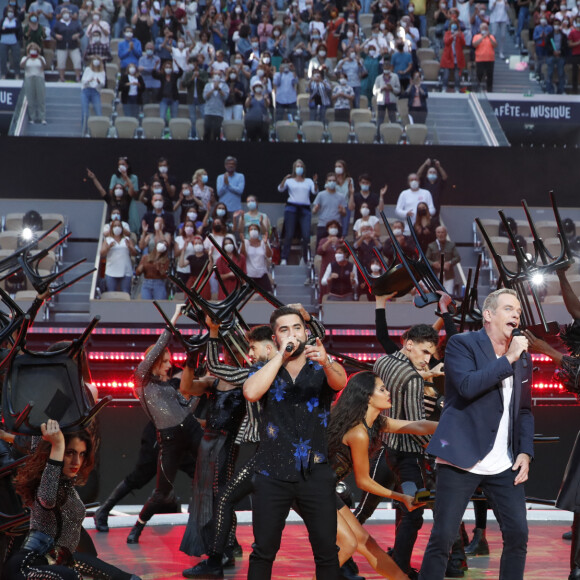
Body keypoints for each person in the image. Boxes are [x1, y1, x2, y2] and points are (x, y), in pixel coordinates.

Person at [418, 288, 534, 580]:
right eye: (509, 308)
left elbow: (524, 411)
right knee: (443, 537)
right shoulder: (462, 344)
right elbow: (468, 386)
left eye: (518, 310)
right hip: (461, 457)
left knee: (518, 535)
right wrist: (507, 358)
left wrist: (524, 452)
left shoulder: (522, 358)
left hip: (504, 462)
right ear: (489, 315)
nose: (516, 314)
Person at [243, 305, 347, 579]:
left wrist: (326, 361)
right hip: (271, 473)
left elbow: (339, 382)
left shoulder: (320, 366)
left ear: (306, 331)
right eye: (284, 330)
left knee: (326, 551)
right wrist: (280, 357)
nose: (292, 334)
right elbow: (251, 393)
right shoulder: (266, 369)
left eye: (297, 328)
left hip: (315, 472)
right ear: (275, 337)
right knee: (263, 550)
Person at [328, 371, 438, 579]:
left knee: (367, 544)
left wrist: (452, 427)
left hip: (323, 489)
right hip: (310, 489)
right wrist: (401, 497)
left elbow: (417, 426)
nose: (388, 393)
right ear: (367, 397)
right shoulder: (358, 432)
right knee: (349, 544)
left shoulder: (375, 423)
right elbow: (363, 481)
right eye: (382, 389)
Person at [5, 420, 141, 579]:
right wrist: (58, 445)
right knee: (71, 575)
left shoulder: (66, 485)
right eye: (69, 452)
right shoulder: (46, 483)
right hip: (27, 567)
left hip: (56, 561)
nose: (76, 461)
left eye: (81, 454)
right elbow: (48, 498)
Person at [126, 304, 205, 543]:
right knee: (161, 493)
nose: (170, 365)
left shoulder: (169, 387)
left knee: (209, 477)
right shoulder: (142, 380)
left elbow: (186, 409)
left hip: (190, 429)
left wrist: (199, 392)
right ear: (153, 361)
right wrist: (176, 315)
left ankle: (202, 524)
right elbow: (160, 343)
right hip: (169, 439)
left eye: (170, 361)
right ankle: (138, 526)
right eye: (165, 361)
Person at [373, 323, 440, 577]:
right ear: (409, 344)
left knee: (406, 508)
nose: (427, 360)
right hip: (409, 459)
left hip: (388, 449)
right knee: (413, 512)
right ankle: (399, 568)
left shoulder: (383, 362)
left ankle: (397, 561)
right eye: (424, 352)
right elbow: (417, 427)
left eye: (430, 355)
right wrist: (442, 445)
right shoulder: (412, 379)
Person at [278, 159, 317, 266]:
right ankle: (284, 258)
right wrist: (284, 179)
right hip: (291, 208)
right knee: (289, 234)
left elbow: (314, 191)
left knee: (305, 235)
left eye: (301, 166)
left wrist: (315, 182)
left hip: (305, 209)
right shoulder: (290, 181)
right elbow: (280, 189)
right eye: (297, 166)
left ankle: (304, 258)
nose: (299, 168)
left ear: (303, 168)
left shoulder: (308, 181)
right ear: (294, 168)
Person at [100, 218, 137, 293]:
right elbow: (102, 253)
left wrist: (129, 246)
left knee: (125, 293)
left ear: (122, 228)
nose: (117, 227)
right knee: (110, 294)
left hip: (126, 272)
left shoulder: (127, 239)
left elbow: (134, 253)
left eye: (119, 226)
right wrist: (108, 247)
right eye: (115, 226)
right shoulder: (107, 240)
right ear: (111, 228)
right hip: (111, 272)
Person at [312, 172, 347, 246]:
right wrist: (315, 209)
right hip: (323, 225)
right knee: (320, 249)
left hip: (336, 226)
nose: (332, 182)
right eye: (330, 181)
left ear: (336, 182)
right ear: (326, 182)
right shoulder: (321, 195)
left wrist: (342, 211)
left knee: (336, 249)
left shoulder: (341, 196)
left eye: (334, 181)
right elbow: (314, 211)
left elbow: (344, 213)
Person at [425, 225, 461, 294]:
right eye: (438, 232)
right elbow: (426, 259)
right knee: (436, 295)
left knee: (448, 295)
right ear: (436, 234)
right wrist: (433, 263)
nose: (440, 234)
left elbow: (457, 257)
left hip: (448, 276)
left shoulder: (451, 245)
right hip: (435, 275)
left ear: (446, 233)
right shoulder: (431, 246)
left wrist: (450, 263)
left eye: (442, 232)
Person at [51, 8, 83, 82]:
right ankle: (62, 77)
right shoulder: (58, 23)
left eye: (67, 12)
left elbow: (81, 32)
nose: (66, 14)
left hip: (73, 46)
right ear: (61, 15)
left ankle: (78, 77)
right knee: (61, 62)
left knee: (77, 61)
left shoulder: (75, 23)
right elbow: (52, 33)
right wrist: (56, 36)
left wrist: (77, 35)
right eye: (64, 13)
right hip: (61, 46)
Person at [241, 223, 273, 293]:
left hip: (262, 274)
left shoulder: (263, 242)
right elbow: (243, 256)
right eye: (251, 229)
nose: (253, 231)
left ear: (258, 232)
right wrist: (243, 243)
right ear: (248, 232)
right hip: (250, 275)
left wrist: (265, 243)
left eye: (255, 229)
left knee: (268, 296)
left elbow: (269, 255)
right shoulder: (245, 242)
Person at [20, 42, 46, 124]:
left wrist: (40, 59)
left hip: (39, 77)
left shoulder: (41, 58)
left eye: (34, 50)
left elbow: (44, 67)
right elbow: (21, 66)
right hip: (29, 78)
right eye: (31, 50)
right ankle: (32, 117)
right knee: (30, 98)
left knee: (40, 98)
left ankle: (42, 118)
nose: (33, 51)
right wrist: (27, 58)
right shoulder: (25, 58)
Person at [416, 158, 447, 222]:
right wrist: (425, 164)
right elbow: (418, 175)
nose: (432, 173)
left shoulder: (439, 183)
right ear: (427, 174)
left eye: (434, 172)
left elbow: (444, 177)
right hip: (423, 211)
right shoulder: (423, 182)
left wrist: (439, 167)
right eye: (430, 172)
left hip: (436, 212)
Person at [80, 55, 105, 133]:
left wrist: (98, 82)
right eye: (95, 60)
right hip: (86, 91)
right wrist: (89, 80)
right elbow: (83, 81)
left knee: (98, 112)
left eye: (98, 60)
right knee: (85, 113)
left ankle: (98, 131)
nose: (96, 62)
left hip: (95, 92)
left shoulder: (102, 72)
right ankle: (84, 131)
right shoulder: (87, 69)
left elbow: (103, 84)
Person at [203, 71, 229, 141]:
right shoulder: (208, 85)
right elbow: (205, 97)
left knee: (216, 131)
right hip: (208, 112)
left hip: (219, 113)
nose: (217, 75)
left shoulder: (224, 86)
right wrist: (213, 89)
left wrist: (219, 89)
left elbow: (225, 97)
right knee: (207, 129)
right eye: (215, 74)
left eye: (219, 74)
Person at [441, 23, 466, 92]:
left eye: (455, 29)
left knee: (457, 75)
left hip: (457, 57)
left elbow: (463, 43)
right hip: (448, 57)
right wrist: (452, 36)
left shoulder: (460, 34)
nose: (454, 30)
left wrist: (460, 36)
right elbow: (446, 42)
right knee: (446, 74)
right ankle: (444, 87)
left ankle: (457, 88)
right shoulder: (447, 33)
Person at [472, 22, 497, 91]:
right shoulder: (476, 36)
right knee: (479, 74)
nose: (485, 29)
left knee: (490, 75)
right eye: (483, 28)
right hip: (480, 59)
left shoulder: (491, 36)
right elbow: (474, 44)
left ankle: (489, 90)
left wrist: (489, 37)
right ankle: (477, 89)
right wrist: (482, 37)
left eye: (486, 28)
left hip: (490, 59)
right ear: (480, 29)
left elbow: (495, 45)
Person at [546, 20, 569, 94]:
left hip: (560, 56)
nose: (556, 26)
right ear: (553, 25)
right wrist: (553, 51)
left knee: (561, 73)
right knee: (550, 73)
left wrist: (560, 52)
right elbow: (547, 45)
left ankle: (561, 90)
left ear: (560, 26)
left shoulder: (563, 35)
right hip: (551, 56)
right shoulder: (549, 35)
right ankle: (549, 90)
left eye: (557, 24)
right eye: (555, 24)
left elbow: (565, 46)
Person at [0, 5, 22, 79]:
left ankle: (17, 74)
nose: (10, 13)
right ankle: (3, 74)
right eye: (9, 11)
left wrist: (6, 29)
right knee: (3, 59)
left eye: (11, 11)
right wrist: (11, 30)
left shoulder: (16, 21)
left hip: (14, 42)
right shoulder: (3, 20)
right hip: (3, 41)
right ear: (6, 13)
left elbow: (17, 29)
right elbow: (1, 30)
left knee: (16, 59)